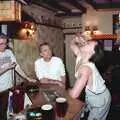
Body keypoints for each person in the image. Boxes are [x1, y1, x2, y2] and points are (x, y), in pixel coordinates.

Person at [68, 34, 111, 120]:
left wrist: (65, 90)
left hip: (101, 99)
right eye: (86, 42)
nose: (85, 42)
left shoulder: (86, 69)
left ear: (92, 53)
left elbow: (74, 94)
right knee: (86, 110)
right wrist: (76, 39)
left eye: (88, 44)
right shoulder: (80, 55)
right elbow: (72, 44)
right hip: (92, 93)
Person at [0, 34, 36, 120]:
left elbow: (16, 67)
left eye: (5, 43)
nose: (3, 46)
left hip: (10, 87)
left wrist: (27, 78)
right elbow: (8, 67)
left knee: (9, 112)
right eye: (0, 44)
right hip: (0, 90)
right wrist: (7, 68)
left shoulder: (9, 52)